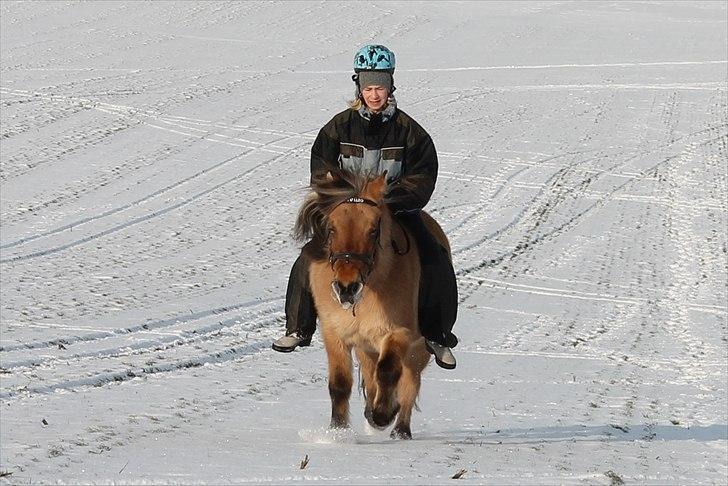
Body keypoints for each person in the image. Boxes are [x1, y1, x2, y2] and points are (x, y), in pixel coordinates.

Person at [272, 44, 459, 369]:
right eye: (369, 87)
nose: (375, 94)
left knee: (434, 257)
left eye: (381, 86)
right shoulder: (338, 127)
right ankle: (299, 327)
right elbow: (322, 170)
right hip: (348, 215)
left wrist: (389, 201)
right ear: (359, 86)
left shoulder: (410, 132)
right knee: (308, 256)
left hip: (395, 212)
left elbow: (423, 175)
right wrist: (343, 198)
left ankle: (437, 335)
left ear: (391, 86)